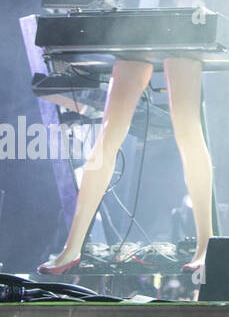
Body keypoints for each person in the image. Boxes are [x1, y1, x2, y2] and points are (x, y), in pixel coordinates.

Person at [37, 56, 213, 274]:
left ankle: (206, 246)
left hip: (180, 31)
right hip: (137, 35)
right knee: (107, 137)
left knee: (188, 130)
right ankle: (72, 248)